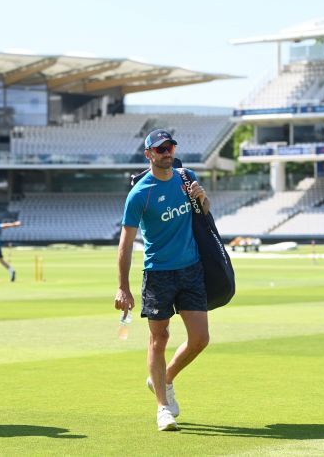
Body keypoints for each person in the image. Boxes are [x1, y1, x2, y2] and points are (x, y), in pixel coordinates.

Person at [114, 129, 211, 432]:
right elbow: (126, 243)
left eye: (170, 147)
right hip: (158, 273)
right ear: (149, 155)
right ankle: (162, 408)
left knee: (200, 339)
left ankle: (164, 380)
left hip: (191, 269)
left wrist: (202, 197)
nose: (167, 152)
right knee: (159, 339)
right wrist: (123, 287)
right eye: (160, 149)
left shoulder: (186, 177)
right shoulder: (140, 194)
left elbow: (204, 213)